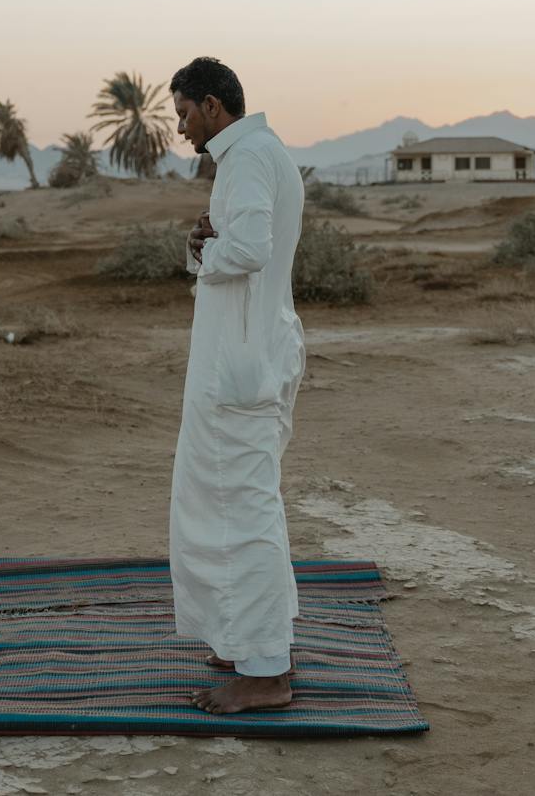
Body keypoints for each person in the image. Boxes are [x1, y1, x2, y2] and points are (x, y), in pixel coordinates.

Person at [167, 57, 307, 714]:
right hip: (246, 353)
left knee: (243, 509)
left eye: (184, 114)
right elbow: (243, 244)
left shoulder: (247, 157)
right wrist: (208, 242)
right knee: (233, 501)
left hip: (240, 365)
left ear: (212, 105)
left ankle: (266, 672)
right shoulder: (259, 152)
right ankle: (248, 643)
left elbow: (249, 248)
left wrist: (210, 248)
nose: (182, 129)